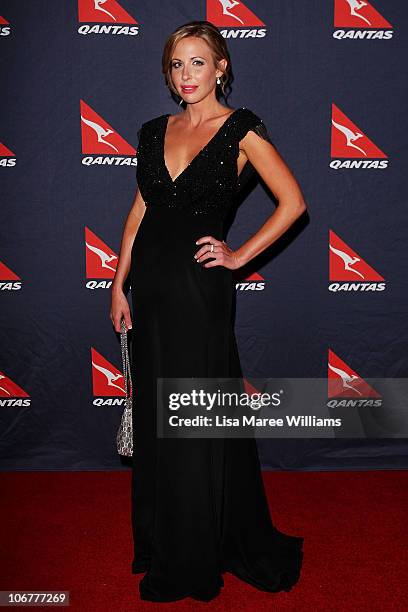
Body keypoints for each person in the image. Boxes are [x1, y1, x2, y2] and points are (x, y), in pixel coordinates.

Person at [110, 20, 307, 603]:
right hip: (148, 288)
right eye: (176, 64)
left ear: (220, 66)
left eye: (198, 62)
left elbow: (293, 203)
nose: (186, 74)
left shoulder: (240, 130)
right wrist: (120, 284)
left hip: (199, 293)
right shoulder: (154, 131)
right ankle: (161, 540)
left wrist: (239, 255)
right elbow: (136, 217)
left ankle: (194, 557)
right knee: (155, 417)